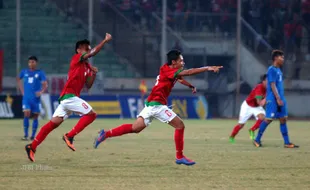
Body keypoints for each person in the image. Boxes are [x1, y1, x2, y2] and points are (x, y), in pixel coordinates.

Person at [93, 49, 223, 166]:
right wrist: (207, 68)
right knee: (180, 126)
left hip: (151, 104)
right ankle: (179, 157)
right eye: (181, 61)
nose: (183, 63)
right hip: (157, 105)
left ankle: (106, 134)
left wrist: (190, 86)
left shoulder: (168, 69)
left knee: (135, 128)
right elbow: (188, 72)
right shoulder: (169, 71)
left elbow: (180, 78)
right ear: (174, 62)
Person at [25, 33, 112, 162]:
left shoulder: (87, 67)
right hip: (69, 97)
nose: (88, 49)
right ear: (78, 50)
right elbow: (93, 53)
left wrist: (93, 74)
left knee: (53, 124)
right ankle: (69, 136)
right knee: (92, 115)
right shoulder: (77, 58)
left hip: (69, 99)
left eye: (88, 47)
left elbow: (88, 85)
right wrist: (104, 41)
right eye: (85, 48)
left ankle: (32, 146)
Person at [253, 50, 299, 148]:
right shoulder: (272, 69)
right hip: (273, 99)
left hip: (280, 99)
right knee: (268, 119)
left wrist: (281, 97)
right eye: (281, 57)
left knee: (283, 119)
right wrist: (277, 98)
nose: (283, 59)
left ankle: (287, 143)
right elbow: (272, 84)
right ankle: (257, 139)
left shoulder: (278, 70)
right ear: (275, 58)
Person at [229, 74, 267, 143]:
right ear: (263, 81)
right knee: (241, 125)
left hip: (256, 107)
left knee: (263, 118)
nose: (269, 82)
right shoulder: (259, 88)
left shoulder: (269, 88)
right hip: (247, 106)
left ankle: (252, 130)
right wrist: (266, 100)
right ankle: (232, 136)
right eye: (268, 80)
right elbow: (259, 102)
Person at [17, 56, 47, 140]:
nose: (31, 64)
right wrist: (22, 90)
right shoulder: (24, 72)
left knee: (35, 116)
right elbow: (18, 79)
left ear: (36, 63)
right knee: (26, 113)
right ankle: (26, 135)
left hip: (36, 99)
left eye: (33, 62)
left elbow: (45, 84)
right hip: (26, 98)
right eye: (29, 62)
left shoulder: (40, 73)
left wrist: (41, 92)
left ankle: (33, 135)